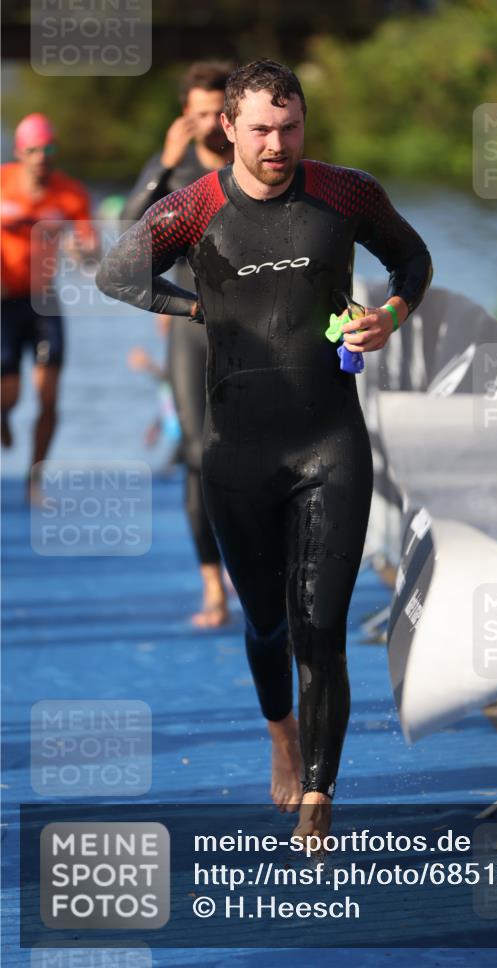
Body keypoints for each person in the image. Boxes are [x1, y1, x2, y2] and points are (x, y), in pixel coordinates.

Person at [96, 59, 432, 841]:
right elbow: (116, 273)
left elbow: (409, 260)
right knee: (268, 627)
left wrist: (392, 313)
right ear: (228, 129)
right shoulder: (193, 208)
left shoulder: (346, 193)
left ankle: (319, 796)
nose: (277, 144)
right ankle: (281, 733)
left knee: (319, 626)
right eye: (260, 130)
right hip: (237, 453)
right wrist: (197, 309)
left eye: (290, 127)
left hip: (329, 442)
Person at [122, 61, 234, 628]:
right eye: (199, 114)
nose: (210, 123)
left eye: (219, 111)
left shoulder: (255, 161)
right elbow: (127, 236)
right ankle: (213, 587)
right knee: (196, 456)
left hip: (255, 326)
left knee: (253, 450)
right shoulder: (178, 169)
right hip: (192, 322)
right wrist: (164, 162)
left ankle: (258, 566)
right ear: (184, 117)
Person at [1, 113, 96, 500]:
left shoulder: (70, 193)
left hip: (44, 303)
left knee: (49, 397)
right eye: (34, 150)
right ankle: (3, 414)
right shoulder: (2, 182)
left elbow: (92, 252)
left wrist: (81, 251)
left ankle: (34, 481)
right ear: (20, 152)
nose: (42, 157)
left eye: (48, 149)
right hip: (4, 303)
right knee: (10, 394)